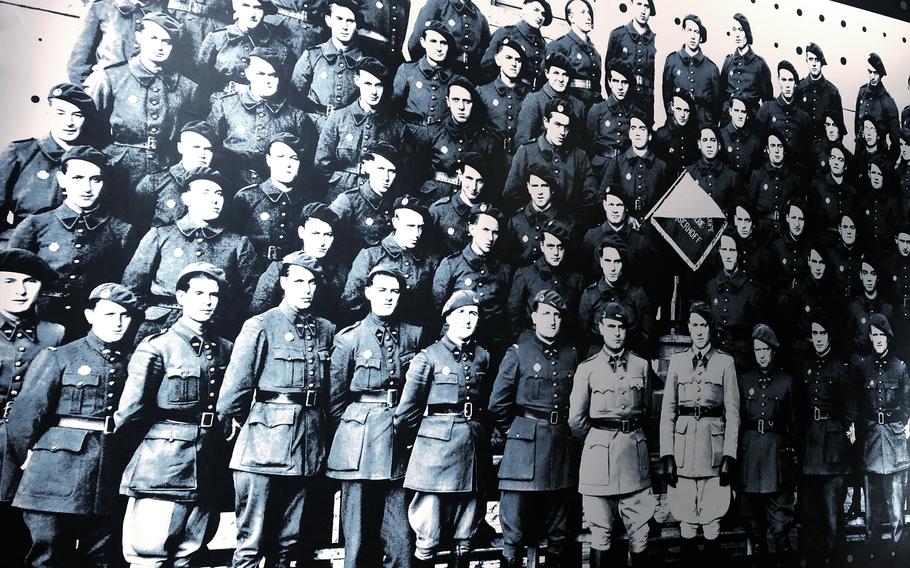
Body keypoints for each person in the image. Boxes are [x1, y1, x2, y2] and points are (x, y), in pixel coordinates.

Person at [217, 252, 336, 568]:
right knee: (251, 541)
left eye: (311, 282)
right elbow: (235, 388)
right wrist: (235, 423)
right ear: (283, 282)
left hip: (308, 442)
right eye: (298, 281)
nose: (306, 288)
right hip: (264, 444)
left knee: (288, 541)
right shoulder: (261, 324)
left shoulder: (326, 329)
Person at [8, 283, 140, 567]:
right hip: (54, 476)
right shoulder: (59, 357)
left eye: (124, 316)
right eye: (108, 314)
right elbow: (24, 418)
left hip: (105, 475)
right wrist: (31, 461)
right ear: (90, 315)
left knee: (100, 557)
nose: (117, 323)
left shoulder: (133, 364)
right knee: (48, 554)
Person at [115, 262, 234, 567]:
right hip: (162, 466)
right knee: (148, 551)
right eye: (198, 293)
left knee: (190, 551)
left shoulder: (224, 349)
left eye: (214, 295)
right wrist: (140, 462)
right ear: (180, 297)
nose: (207, 301)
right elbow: (130, 413)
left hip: (207, 462)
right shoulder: (158, 347)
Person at [327, 265, 424, 568]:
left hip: (397, 439)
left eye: (394, 291)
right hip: (358, 444)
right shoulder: (350, 339)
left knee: (401, 540)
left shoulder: (413, 335)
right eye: (381, 290)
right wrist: (351, 436)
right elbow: (335, 402)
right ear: (368, 293)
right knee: (357, 538)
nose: (388, 297)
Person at [393, 290, 492, 567]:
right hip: (435, 457)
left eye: (473, 313)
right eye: (461, 313)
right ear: (448, 318)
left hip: (471, 452)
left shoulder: (482, 357)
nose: (468, 319)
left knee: (466, 531)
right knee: (428, 532)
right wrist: (419, 447)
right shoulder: (428, 357)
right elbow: (406, 413)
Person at [8, 146, 138, 339]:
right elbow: (10, 280)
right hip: (39, 326)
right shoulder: (35, 225)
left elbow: (127, 287)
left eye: (95, 179)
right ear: (62, 179)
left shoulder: (122, 230)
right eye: (78, 178)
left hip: (93, 328)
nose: (87, 188)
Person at [489, 290, 579, 568]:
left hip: (559, 451)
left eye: (557, 315)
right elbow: (497, 404)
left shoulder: (571, 355)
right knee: (513, 531)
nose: (552, 320)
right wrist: (517, 432)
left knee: (558, 531)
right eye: (546, 314)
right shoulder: (518, 353)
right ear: (534, 316)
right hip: (522, 453)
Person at [121, 167, 259, 339]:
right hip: (161, 330)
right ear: (186, 198)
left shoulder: (238, 243)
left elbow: (251, 300)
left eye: (219, 194)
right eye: (205, 193)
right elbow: (131, 290)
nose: (215, 200)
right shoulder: (160, 235)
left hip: (216, 332)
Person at [569, 301, 655, 568]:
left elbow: (648, 411)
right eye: (611, 326)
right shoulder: (588, 369)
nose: (617, 332)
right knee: (600, 532)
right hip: (599, 463)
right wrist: (598, 441)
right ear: (600, 328)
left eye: (621, 327)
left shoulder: (641, 366)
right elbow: (576, 419)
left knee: (640, 532)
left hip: (633, 460)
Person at [659, 301, 740, 561]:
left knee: (712, 521)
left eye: (703, 325)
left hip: (713, 454)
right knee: (686, 522)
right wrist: (667, 455)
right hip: (683, 455)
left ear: (711, 328)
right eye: (694, 325)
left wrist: (729, 455)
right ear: (688, 328)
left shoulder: (725, 363)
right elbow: (668, 412)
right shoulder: (678, 362)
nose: (698, 331)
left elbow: (733, 414)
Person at [86, 12, 203, 189]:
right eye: (153, 38)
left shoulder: (188, 88)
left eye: (167, 41)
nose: (160, 46)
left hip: (166, 170)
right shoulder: (112, 77)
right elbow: (89, 128)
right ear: (139, 37)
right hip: (117, 169)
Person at [0, 249, 64, 567]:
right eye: (9, 281)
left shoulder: (56, 334)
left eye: (30, 281)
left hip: (31, 447)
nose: (20, 290)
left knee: (25, 531)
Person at [0, 84, 98, 242]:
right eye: (60, 113)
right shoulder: (20, 153)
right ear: (48, 113)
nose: (69, 122)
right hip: (24, 247)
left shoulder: (95, 160)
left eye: (77, 115)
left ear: (85, 119)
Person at [796, 315, 855, 565]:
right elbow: (799, 407)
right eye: (815, 334)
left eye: (822, 334)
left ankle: (836, 560)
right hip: (810, 449)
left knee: (832, 514)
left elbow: (850, 410)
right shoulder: (806, 367)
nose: (818, 339)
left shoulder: (841, 368)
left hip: (832, 453)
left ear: (830, 336)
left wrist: (840, 437)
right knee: (809, 514)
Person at [208, 47, 313, 187]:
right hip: (228, 184)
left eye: (273, 75)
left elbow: (306, 163)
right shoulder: (225, 105)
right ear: (247, 74)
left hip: (273, 189)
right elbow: (210, 148)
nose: (267, 80)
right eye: (261, 74)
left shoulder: (296, 116)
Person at [736, 324, 796, 566]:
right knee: (753, 526)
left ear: (773, 350)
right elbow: (738, 421)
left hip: (776, 460)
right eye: (756, 349)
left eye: (765, 349)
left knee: (781, 528)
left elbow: (794, 424)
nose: (760, 354)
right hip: (750, 458)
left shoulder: (787, 382)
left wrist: (791, 462)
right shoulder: (744, 380)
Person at [855, 313, 910, 558]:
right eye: (873, 335)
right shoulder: (863, 366)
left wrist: (901, 426)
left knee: (896, 508)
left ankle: (898, 553)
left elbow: (907, 404)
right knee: (872, 511)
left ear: (888, 337)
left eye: (881, 335)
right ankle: (872, 554)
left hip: (894, 442)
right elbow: (858, 403)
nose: (878, 339)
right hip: (871, 443)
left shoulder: (899, 367)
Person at [315, 57, 408, 200]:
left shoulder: (397, 127)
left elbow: (402, 171)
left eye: (378, 85)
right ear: (357, 80)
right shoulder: (339, 117)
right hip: (339, 193)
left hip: (379, 198)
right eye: (368, 84)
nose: (374, 91)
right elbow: (322, 163)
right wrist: (338, 182)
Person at [341, 196, 436, 325]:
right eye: (410, 226)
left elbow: (433, 305)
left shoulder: (430, 260)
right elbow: (352, 303)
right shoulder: (370, 256)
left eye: (420, 227)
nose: (416, 233)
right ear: (395, 222)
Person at [410, 78, 500, 204]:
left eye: (467, 101)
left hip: (469, 202)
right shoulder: (433, 132)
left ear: (473, 104)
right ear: (448, 102)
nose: (461, 107)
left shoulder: (486, 140)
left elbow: (493, 185)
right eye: (456, 100)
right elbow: (416, 173)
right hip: (433, 198)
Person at [432, 204, 511, 346]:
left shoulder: (504, 269)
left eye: (495, 232)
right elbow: (439, 307)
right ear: (472, 229)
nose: (490, 237)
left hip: (493, 342)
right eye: (485, 230)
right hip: (457, 340)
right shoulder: (451, 265)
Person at [249, 203, 344, 320]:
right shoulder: (280, 267)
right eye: (315, 234)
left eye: (328, 235)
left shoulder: (340, 273)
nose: (322, 242)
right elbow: (257, 314)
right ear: (301, 232)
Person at [505, 98, 597, 213]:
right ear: (546, 122)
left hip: (567, 227)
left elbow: (590, 195)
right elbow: (511, 195)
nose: (562, 132)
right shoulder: (526, 152)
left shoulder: (579, 156)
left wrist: (572, 222)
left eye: (566, 126)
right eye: (557, 124)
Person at [231, 133, 312, 261]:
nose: (288, 164)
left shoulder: (308, 202)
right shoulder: (246, 197)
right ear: (269, 160)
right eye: (280, 157)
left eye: (294, 158)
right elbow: (233, 243)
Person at [291, 0, 365, 129]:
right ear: (328, 20)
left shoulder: (365, 62)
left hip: (349, 127)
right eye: (339, 19)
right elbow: (294, 97)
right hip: (312, 125)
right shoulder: (312, 55)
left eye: (350, 21)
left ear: (356, 25)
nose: (344, 26)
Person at [196, 0, 293, 96]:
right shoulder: (217, 38)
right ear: (236, 8)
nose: (252, 14)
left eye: (258, 8)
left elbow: (283, 90)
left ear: (265, 12)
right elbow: (202, 77)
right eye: (245, 6)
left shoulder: (280, 48)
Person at [133, 120, 217, 230]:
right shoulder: (154, 182)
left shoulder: (219, 187)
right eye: (196, 147)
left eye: (208, 149)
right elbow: (137, 225)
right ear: (180, 148)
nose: (202, 154)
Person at [507, 220, 582, 336]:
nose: (556, 253)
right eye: (550, 246)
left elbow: (576, 320)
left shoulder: (575, 279)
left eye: (560, 247)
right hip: (532, 341)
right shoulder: (525, 274)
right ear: (542, 246)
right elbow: (513, 316)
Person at [68, 0, 170, 85]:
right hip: (107, 94)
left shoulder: (165, 15)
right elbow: (78, 65)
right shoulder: (101, 7)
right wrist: (89, 99)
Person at [392, 21, 462, 126]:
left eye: (443, 43)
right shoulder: (407, 70)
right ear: (423, 42)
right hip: (408, 134)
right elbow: (393, 109)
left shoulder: (456, 79)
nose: (439, 48)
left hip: (440, 137)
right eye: (433, 41)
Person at [405, 0, 490, 81]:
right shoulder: (438, 4)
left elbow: (486, 54)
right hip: (439, 77)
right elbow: (415, 45)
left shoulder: (479, 16)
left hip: (468, 79)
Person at [513, 53, 585, 148]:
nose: (561, 79)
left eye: (565, 75)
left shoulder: (578, 105)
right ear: (547, 74)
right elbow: (523, 142)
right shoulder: (534, 100)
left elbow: (582, 144)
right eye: (556, 73)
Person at [661, 14, 719, 128]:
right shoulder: (672, 61)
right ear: (683, 31)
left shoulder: (712, 68)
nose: (693, 36)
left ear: (701, 37)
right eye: (689, 30)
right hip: (679, 127)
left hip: (703, 126)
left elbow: (716, 106)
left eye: (696, 32)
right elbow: (667, 97)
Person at [480, 0, 551, 91]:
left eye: (543, 14)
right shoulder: (506, 33)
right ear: (524, 10)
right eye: (535, 10)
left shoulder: (543, 45)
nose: (540, 17)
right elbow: (487, 66)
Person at [477, 35, 528, 158]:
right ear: (498, 59)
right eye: (509, 58)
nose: (514, 64)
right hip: (489, 158)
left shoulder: (529, 95)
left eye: (518, 60)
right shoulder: (482, 92)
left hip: (519, 158)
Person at [604, 0, 656, 119]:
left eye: (647, 6)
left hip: (645, 102)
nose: (643, 11)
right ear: (631, 6)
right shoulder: (618, 35)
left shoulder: (655, 39)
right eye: (639, 4)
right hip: (623, 98)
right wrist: (614, 100)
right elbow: (609, 72)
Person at [586, 62, 640, 176]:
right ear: (609, 83)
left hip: (627, 168)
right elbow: (590, 146)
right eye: (616, 81)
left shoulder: (636, 113)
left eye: (624, 82)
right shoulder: (597, 110)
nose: (620, 87)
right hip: (601, 167)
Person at [546, 0, 601, 109]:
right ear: (571, 18)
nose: (588, 17)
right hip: (570, 105)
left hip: (593, 105)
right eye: (582, 12)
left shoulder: (594, 51)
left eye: (588, 12)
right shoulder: (559, 45)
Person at [428, 156, 487, 256]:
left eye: (479, 181)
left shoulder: (489, 213)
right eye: (469, 178)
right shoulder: (439, 211)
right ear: (460, 175)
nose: (474, 187)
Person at [720, 13, 772, 113]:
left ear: (747, 32)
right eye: (734, 30)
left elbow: (767, 101)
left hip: (751, 120)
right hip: (728, 120)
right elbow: (721, 95)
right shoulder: (728, 61)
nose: (737, 34)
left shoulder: (759, 64)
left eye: (741, 30)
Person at [796, 43, 845, 142]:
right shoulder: (799, 88)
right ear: (806, 61)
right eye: (810, 59)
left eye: (817, 60)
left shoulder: (832, 92)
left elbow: (839, 129)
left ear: (822, 62)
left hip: (824, 150)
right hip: (803, 148)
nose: (813, 64)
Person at [855, 53, 900, 158]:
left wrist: (887, 164)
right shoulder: (862, 93)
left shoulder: (888, 103)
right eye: (869, 72)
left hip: (878, 157)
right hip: (860, 153)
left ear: (881, 74)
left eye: (875, 73)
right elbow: (857, 124)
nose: (872, 77)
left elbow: (895, 142)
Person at [719, 95, 763, 177]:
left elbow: (757, 171)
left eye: (743, 112)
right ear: (730, 111)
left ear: (747, 115)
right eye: (736, 111)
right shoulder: (720, 135)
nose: (740, 116)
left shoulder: (755, 140)